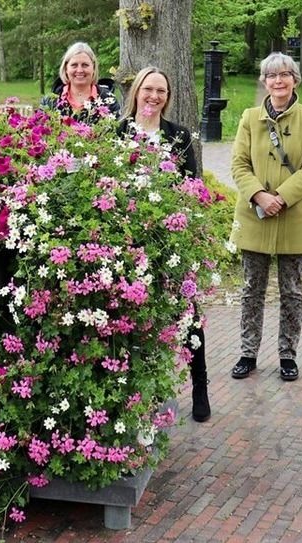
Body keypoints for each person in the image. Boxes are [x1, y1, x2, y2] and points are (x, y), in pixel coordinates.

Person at [117, 67, 209, 423]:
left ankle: (199, 384)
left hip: (170, 238)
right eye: (148, 89)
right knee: (134, 316)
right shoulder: (119, 132)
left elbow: (192, 185)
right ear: (137, 92)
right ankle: (139, 391)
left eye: (161, 91)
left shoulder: (178, 135)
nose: (154, 97)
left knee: (187, 313)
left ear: (167, 98)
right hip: (130, 237)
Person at [229, 52, 302, 383]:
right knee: (251, 289)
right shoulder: (249, 117)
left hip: (294, 217)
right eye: (272, 75)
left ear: (295, 80)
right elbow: (239, 164)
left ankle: (288, 354)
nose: (279, 80)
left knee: (292, 291)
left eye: (285, 74)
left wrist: (281, 198)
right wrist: (259, 195)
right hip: (254, 215)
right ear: (264, 82)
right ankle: (247, 352)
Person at [40, 42, 120, 122]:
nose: (80, 70)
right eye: (74, 65)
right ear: (66, 68)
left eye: (85, 65)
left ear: (94, 68)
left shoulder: (109, 101)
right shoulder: (49, 102)